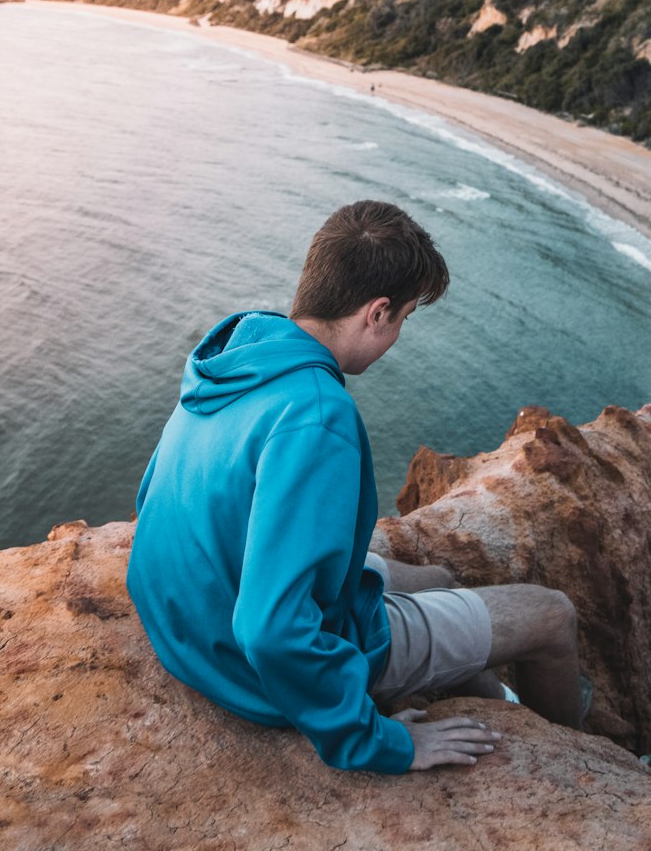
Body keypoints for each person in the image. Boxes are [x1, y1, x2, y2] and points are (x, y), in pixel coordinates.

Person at [127, 200, 583, 774]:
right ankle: (581, 756)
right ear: (378, 312)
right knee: (552, 617)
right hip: (248, 670)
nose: (397, 336)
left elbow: (150, 500)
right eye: (404, 319)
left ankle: (498, 705)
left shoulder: (237, 355)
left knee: (438, 578)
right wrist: (378, 741)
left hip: (186, 626)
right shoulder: (318, 415)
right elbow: (269, 631)